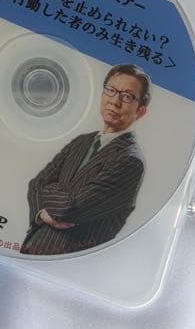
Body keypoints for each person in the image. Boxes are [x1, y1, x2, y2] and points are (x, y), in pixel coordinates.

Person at [20, 64, 150, 255]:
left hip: (69, 261)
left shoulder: (131, 161)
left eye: (127, 96)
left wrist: (50, 196)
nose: (115, 101)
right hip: (32, 249)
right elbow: (36, 183)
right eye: (111, 90)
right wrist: (46, 213)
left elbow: (69, 208)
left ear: (140, 111)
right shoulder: (82, 141)